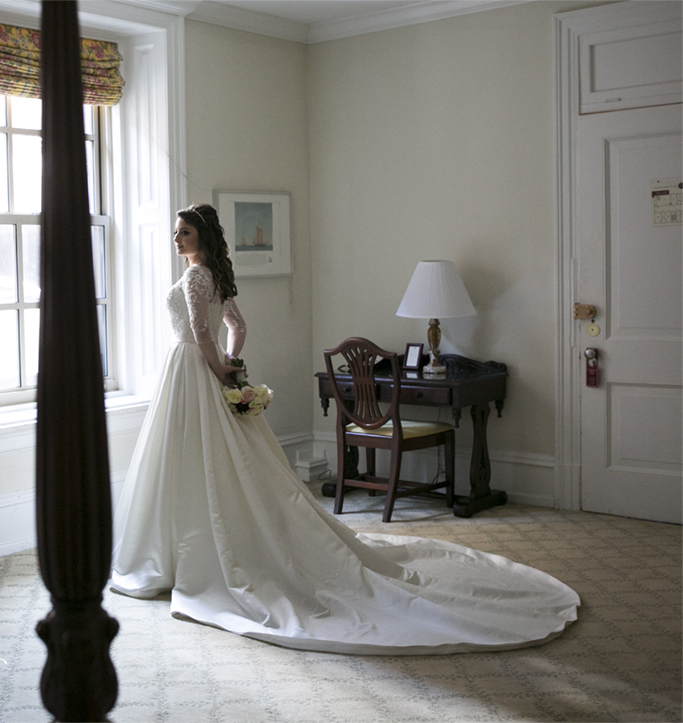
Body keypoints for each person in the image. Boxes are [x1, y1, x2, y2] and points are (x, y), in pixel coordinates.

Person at [109, 203, 580, 654]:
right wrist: (230, 363)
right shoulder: (216, 277)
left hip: (192, 369)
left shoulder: (196, 276)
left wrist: (220, 370)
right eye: (175, 231)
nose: (176, 238)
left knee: (191, 459)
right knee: (209, 460)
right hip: (202, 369)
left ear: (202, 238)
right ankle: (188, 548)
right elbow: (238, 326)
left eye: (184, 232)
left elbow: (206, 331)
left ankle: (177, 554)